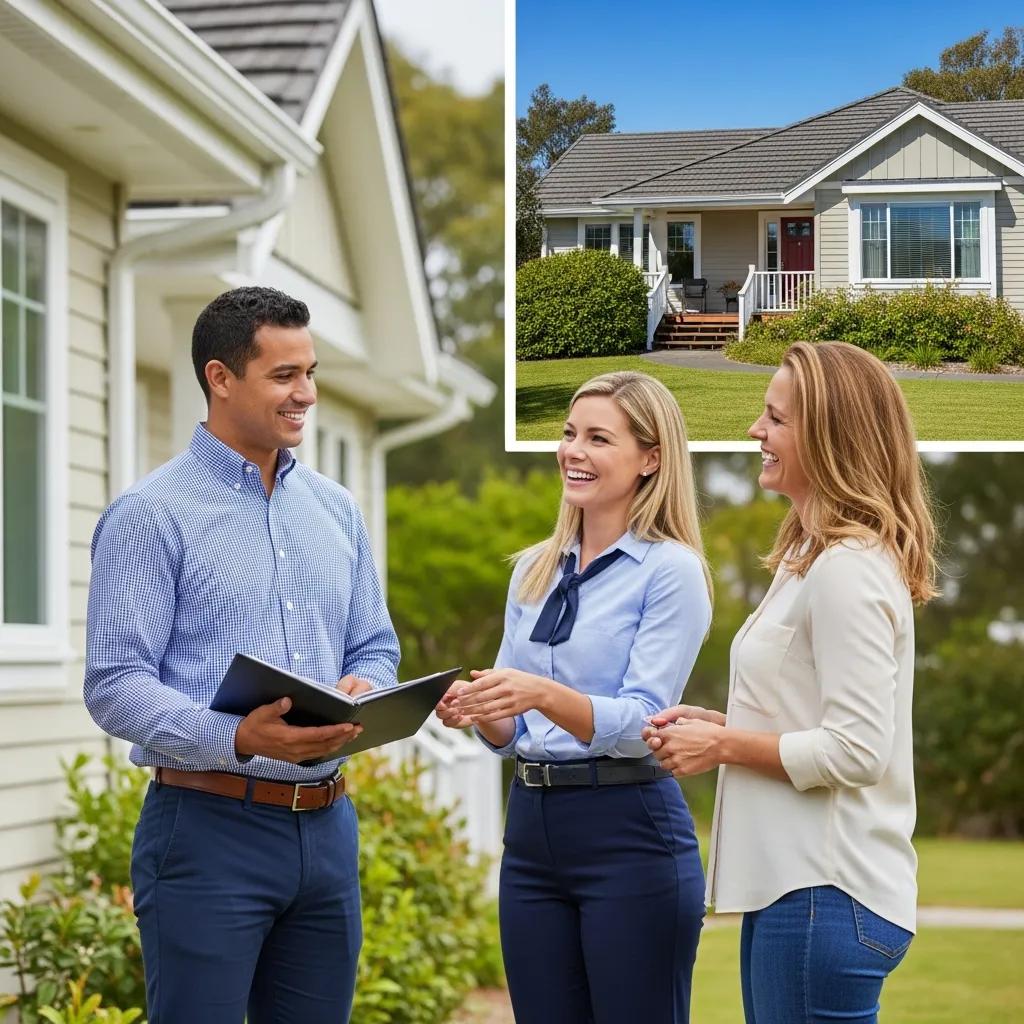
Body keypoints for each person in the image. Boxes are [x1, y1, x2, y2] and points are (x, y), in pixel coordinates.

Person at [84, 287, 400, 1024]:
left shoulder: (335, 511)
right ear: (221, 378)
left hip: (327, 833)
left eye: (311, 373)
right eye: (285, 376)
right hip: (206, 832)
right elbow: (115, 683)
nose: (308, 394)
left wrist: (366, 684)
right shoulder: (151, 514)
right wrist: (236, 736)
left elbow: (375, 643)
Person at [645, 341, 937, 1024]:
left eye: (775, 419)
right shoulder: (812, 556)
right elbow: (810, 717)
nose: (756, 432)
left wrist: (722, 749)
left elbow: (857, 751)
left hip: (825, 894)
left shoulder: (848, 570)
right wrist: (722, 728)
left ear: (830, 437)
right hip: (800, 894)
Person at [437, 371, 712, 1024]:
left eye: (597, 438)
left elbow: (645, 719)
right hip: (531, 831)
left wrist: (542, 693)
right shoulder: (533, 568)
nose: (572, 451)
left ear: (651, 458)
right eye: (567, 434)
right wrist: (482, 711)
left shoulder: (672, 572)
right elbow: (513, 730)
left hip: (629, 830)